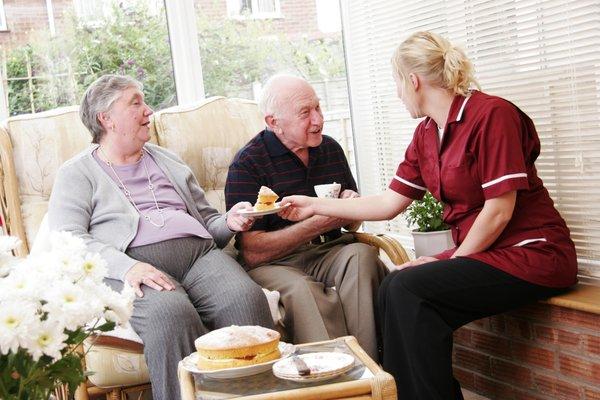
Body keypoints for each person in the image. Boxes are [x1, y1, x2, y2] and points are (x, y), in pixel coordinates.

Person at [279, 32, 577, 399]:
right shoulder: (426, 134)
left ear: (413, 80)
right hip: (489, 254)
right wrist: (314, 205)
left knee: (410, 288)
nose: (397, 93)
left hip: (535, 253)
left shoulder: (492, 115)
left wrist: (450, 262)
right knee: (393, 284)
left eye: (396, 83)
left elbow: (499, 211)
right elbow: (388, 203)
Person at [47, 75, 274, 400]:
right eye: (135, 103)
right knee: (172, 317)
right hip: (137, 268)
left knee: (246, 300)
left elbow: (209, 223)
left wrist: (232, 221)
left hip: (199, 257)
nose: (148, 110)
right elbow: (66, 238)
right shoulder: (77, 173)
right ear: (106, 118)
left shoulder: (168, 160)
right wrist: (127, 269)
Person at [225, 74, 388, 361]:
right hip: (276, 263)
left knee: (363, 257)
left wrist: (350, 207)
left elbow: (352, 221)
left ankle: (367, 369)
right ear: (274, 122)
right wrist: (320, 220)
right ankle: (331, 379)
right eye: (305, 113)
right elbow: (253, 252)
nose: (318, 120)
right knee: (304, 291)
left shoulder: (330, 149)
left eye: (318, 108)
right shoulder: (248, 163)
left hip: (331, 250)